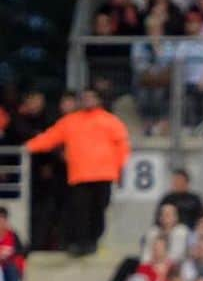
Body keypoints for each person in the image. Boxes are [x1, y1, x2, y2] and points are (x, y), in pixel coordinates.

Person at [23, 89, 130, 257]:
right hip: (80, 175)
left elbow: (122, 146)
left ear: (98, 100)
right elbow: (49, 138)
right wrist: (28, 147)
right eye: (85, 98)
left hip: (104, 175)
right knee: (80, 211)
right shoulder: (70, 121)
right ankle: (83, 243)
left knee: (98, 210)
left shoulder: (110, 121)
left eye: (91, 97)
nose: (87, 100)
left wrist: (120, 168)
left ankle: (92, 241)